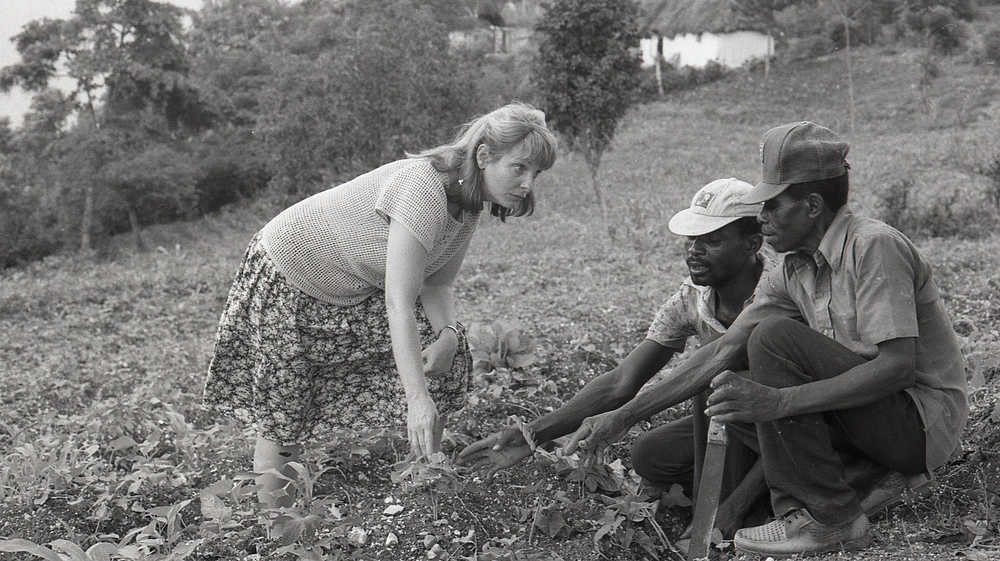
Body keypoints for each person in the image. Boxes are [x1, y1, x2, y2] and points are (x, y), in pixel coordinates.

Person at [567, 122, 968, 557]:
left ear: (812, 205)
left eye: (772, 206)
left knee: (772, 339)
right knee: (726, 386)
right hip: (862, 418)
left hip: (917, 426)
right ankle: (856, 479)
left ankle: (833, 517)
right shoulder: (793, 270)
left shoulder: (872, 246)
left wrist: (779, 403)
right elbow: (718, 353)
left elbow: (896, 368)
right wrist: (623, 416)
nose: (760, 218)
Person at [203, 103, 558, 507]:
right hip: (289, 278)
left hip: (352, 282)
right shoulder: (423, 190)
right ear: (483, 157)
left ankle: (426, 482)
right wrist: (416, 399)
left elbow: (437, 282)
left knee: (445, 350)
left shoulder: (468, 202)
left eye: (536, 173)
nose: (528, 183)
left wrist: (446, 335)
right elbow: (398, 303)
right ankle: (274, 526)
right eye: (519, 168)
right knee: (286, 409)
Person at [459, 177, 775, 536]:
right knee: (651, 454)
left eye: (712, 241)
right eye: (692, 239)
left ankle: (737, 510)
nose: (693, 251)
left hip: (791, 423)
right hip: (735, 424)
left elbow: (799, 406)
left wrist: (731, 508)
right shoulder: (693, 299)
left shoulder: (779, 292)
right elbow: (623, 381)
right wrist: (532, 432)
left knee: (715, 384)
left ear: (752, 243)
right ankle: (741, 493)